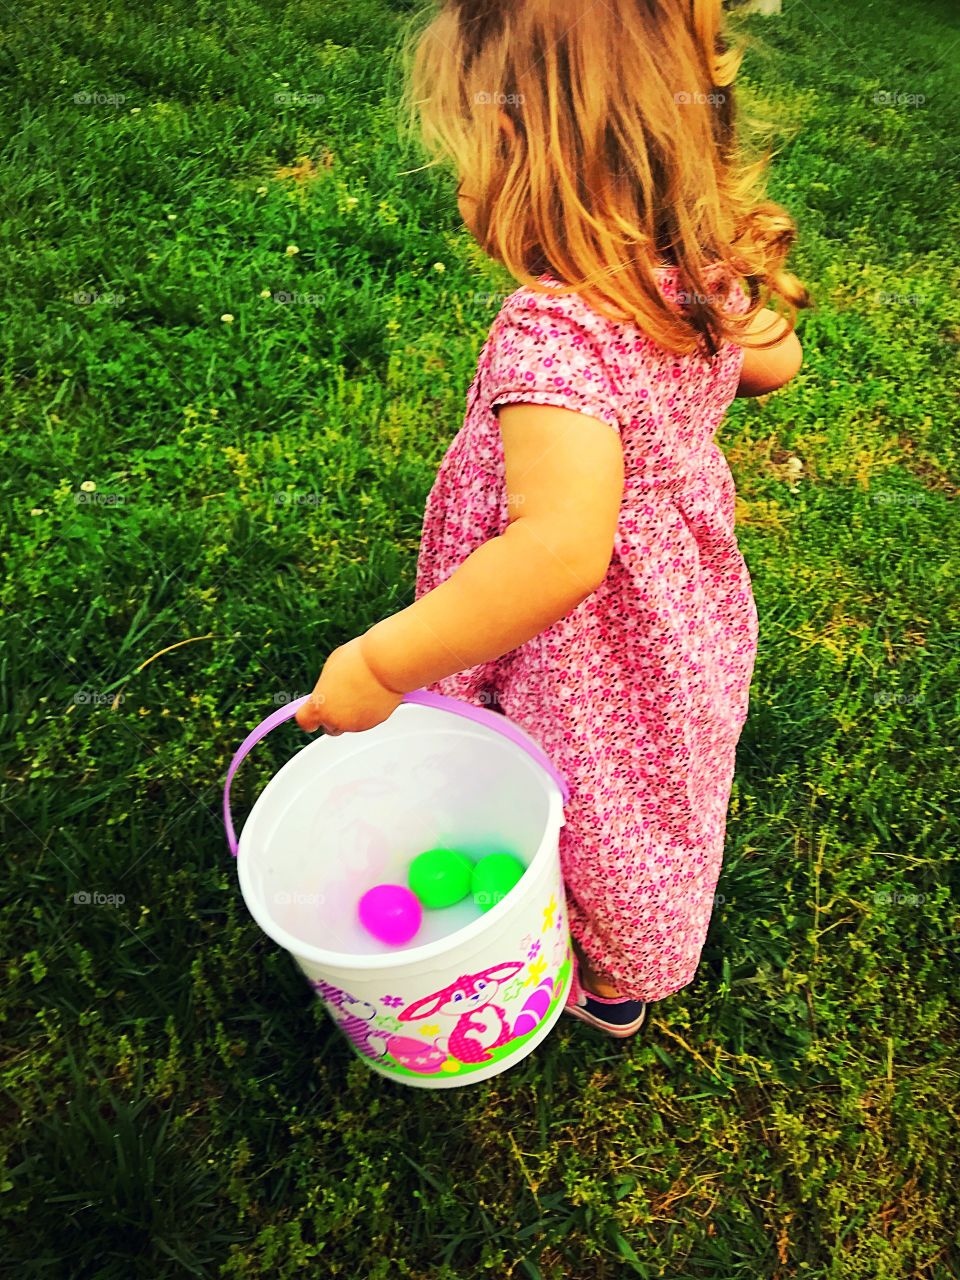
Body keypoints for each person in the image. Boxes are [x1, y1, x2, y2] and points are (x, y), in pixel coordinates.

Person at [296, 0, 810, 1038]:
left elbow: (560, 549)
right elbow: (778, 360)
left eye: (476, 147)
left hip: (584, 644)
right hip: (679, 603)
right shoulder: (690, 265)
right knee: (652, 785)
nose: (463, 180)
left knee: (579, 796)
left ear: (538, 157)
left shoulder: (555, 332)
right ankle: (628, 965)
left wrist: (384, 664)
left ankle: (582, 973)